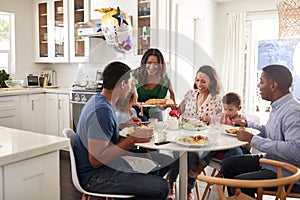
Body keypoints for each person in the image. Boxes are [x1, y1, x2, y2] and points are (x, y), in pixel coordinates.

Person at [73, 61, 169, 200]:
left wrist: (123, 125)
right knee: (161, 187)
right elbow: (96, 160)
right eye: (130, 83)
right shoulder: (102, 111)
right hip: (95, 176)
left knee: (164, 161)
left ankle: (141, 186)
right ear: (123, 84)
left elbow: (103, 132)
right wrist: (132, 139)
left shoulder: (100, 101)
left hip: (107, 166)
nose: (132, 88)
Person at [221, 64, 300, 197]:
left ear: (273, 86)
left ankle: (241, 195)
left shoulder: (292, 111)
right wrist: (248, 124)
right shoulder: (279, 106)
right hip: (272, 161)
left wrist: (252, 140)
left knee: (239, 183)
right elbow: (270, 132)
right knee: (229, 164)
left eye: (261, 81)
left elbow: (295, 150)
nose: (258, 85)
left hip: (286, 171)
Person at [167, 65, 223, 200]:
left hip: (202, 138)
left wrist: (210, 119)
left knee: (191, 154)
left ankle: (187, 189)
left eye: (203, 81)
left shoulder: (216, 99)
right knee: (177, 151)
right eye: (197, 80)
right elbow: (179, 110)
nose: (199, 84)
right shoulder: (190, 94)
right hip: (183, 135)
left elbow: (220, 122)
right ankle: (171, 184)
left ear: (212, 82)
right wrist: (175, 112)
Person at [133, 48, 176, 121]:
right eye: (149, 63)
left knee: (159, 130)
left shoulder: (164, 79)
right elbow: (125, 99)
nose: (152, 67)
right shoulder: (134, 75)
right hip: (137, 111)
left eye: (156, 63)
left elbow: (170, 99)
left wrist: (165, 106)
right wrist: (136, 103)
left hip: (155, 111)